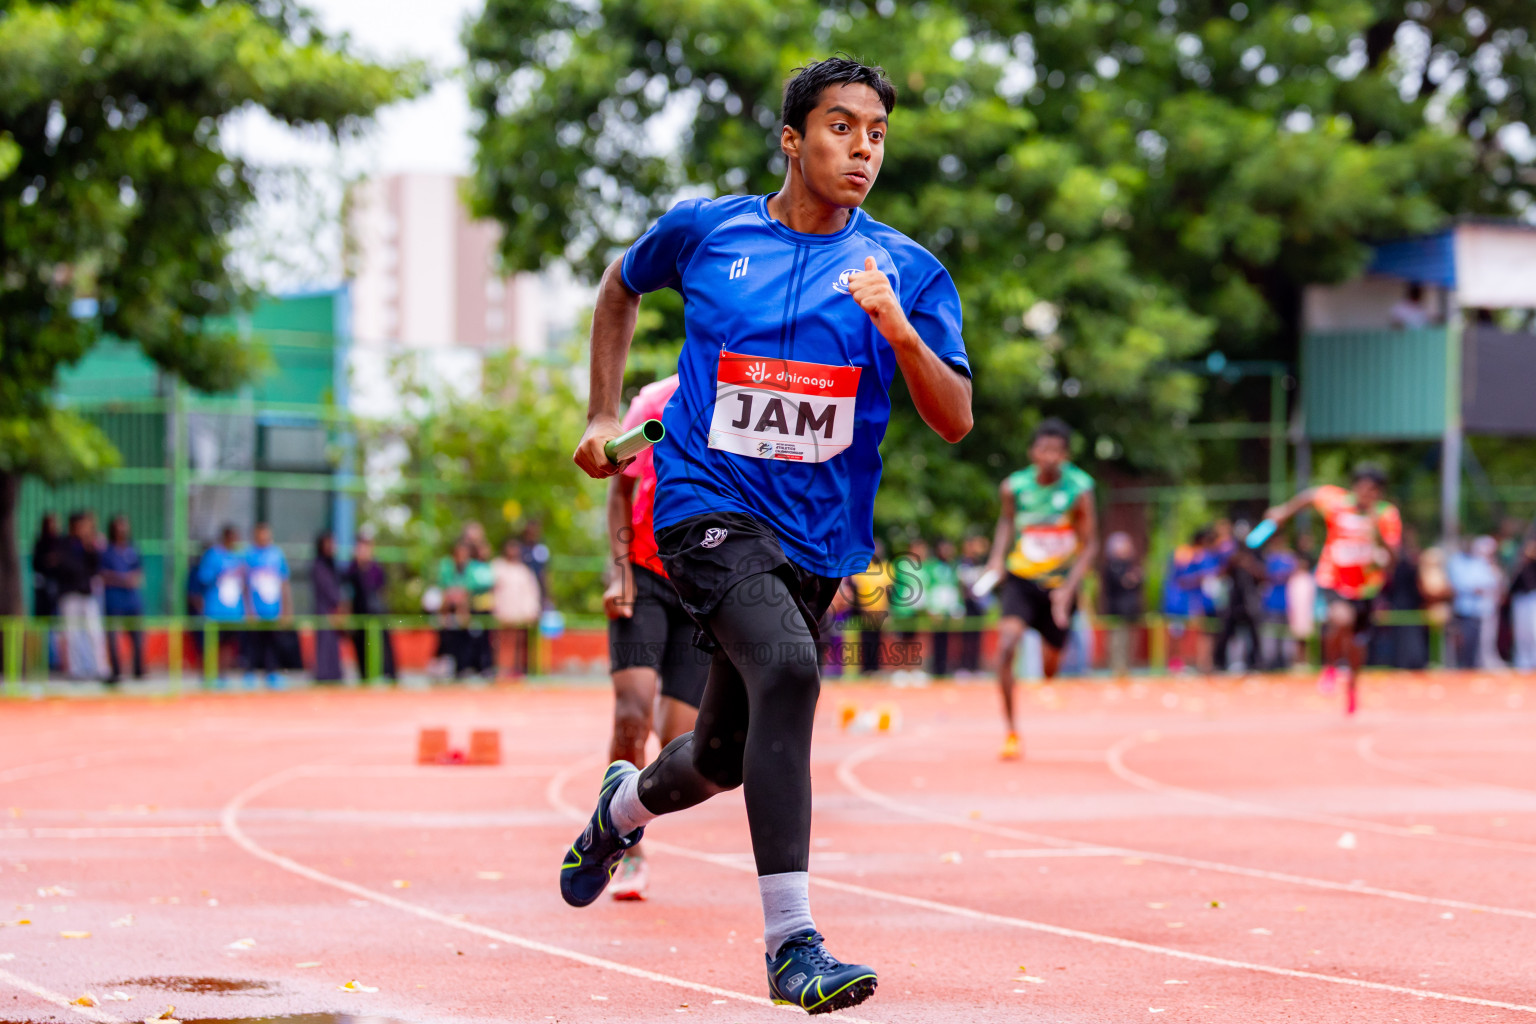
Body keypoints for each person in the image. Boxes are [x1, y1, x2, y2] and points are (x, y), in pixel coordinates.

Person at [563, 57, 971, 1015]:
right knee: (790, 668)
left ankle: (619, 809)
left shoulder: (906, 271)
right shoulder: (708, 231)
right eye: (840, 128)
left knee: (719, 754)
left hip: (817, 543)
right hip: (704, 506)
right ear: (792, 140)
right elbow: (620, 286)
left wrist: (899, 333)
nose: (861, 149)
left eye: (876, 133)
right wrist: (601, 410)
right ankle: (794, 947)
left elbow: (954, 418)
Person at [600, 372, 709, 900]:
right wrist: (619, 569)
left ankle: (624, 808)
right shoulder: (653, 402)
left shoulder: (745, 400)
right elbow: (619, 493)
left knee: (681, 743)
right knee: (632, 712)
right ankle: (624, 844)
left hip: (703, 581)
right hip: (643, 575)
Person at [982, 418, 1097, 760]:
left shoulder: (1080, 489)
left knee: (1050, 664)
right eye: (1043, 450)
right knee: (1005, 647)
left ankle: (1049, 672)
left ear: (1066, 455)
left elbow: (1091, 545)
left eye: (1057, 451)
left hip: (1061, 584)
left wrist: (1069, 589)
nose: (1049, 457)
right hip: (1021, 579)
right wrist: (995, 559)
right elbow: (1005, 521)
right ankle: (1011, 731)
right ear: (1033, 452)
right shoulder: (1014, 487)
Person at [1263, 464, 1402, 712]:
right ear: (1355, 487)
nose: (1366, 494)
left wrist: (1376, 531)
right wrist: (1284, 512)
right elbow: (1310, 495)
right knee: (1341, 619)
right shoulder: (1337, 501)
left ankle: (1352, 689)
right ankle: (1330, 666)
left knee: (1358, 644)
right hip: (1334, 579)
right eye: (1363, 488)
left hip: (1366, 587)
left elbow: (1393, 558)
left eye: (1373, 491)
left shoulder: (1385, 515)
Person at [56, 511, 107, 681]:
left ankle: (100, 670)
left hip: (87, 594)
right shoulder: (65, 544)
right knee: (72, 634)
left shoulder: (89, 545)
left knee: (94, 632)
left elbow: (96, 567)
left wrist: (91, 546)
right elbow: (65, 567)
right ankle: (75, 671)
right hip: (69, 594)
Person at [244, 522, 292, 689]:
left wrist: (286, 610)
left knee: (273, 643)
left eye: (266, 535)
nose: (264, 538)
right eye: (260, 535)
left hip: (273, 610)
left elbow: (284, 583)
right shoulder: (249, 556)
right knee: (253, 644)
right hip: (256, 611)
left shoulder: (277, 555)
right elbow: (244, 584)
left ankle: (272, 674)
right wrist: (248, 609)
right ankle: (250, 674)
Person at [1214, 521, 1266, 673]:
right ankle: (1220, 663)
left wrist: (1249, 565)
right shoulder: (1231, 551)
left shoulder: (1256, 552)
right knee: (1226, 632)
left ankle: (1255, 663)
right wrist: (1233, 562)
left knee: (1254, 634)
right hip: (1234, 599)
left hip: (1251, 599)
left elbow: (1264, 576)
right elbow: (1221, 573)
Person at [344, 535, 397, 682]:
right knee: (361, 646)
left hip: (377, 614)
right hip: (360, 613)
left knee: (382, 645)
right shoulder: (352, 569)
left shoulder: (376, 568)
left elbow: (382, 591)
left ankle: (386, 674)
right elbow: (348, 592)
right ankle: (365, 676)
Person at [100, 514, 146, 683]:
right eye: (119, 526)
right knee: (112, 637)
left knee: (138, 636)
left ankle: (139, 670)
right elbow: (103, 575)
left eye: (124, 525)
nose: (122, 529)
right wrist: (123, 579)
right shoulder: (107, 551)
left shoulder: (133, 549)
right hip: (114, 600)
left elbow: (139, 575)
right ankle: (116, 672)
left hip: (132, 600)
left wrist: (126, 579)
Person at [493, 537, 541, 679]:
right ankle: (502, 670)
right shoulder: (498, 567)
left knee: (519, 643)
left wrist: (531, 610)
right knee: (502, 642)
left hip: (520, 614)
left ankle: (516, 671)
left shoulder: (523, 571)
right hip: (503, 612)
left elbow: (531, 592)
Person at [1100, 532, 1143, 677]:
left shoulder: (1130, 565)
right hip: (1117, 610)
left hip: (1131, 610)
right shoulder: (1112, 566)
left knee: (1130, 641)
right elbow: (1123, 582)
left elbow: (1137, 581)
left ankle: (1127, 668)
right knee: (1117, 640)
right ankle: (1116, 668)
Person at [30, 513, 64, 672]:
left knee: (58, 628)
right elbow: (37, 564)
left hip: (57, 593)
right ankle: (45, 661)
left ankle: (57, 661)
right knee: (44, 629)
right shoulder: (40, 544)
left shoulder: (61, 543)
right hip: (44, 595)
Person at [1259, 536, 1298, 670]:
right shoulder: (1269, 559)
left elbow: (1291, 573)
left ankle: (1286, 661)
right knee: (1270, 633)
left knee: (1286, 634)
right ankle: (1270, 661)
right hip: (1271, 602)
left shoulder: (1288, 558)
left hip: (1287, 602)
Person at [955, 534, 992, 676]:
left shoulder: (981, 563)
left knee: (977, 638)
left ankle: (975, 668)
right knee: (966, 638)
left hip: (979, 605)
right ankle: (964, 667)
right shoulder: (961, 563)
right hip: (966, 605)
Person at [312, 532, 344, 683]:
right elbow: (328, 589)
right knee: (325, 643)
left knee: (333, 645)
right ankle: (324, 675)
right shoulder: (319, 565)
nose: (332, 547)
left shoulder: (333, 564)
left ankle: (334, 675)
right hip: (324, 610)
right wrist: (336, 604)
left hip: (333, 610)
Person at [1509, 532, 1536, 671]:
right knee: (1522, 632)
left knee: (1533, 630)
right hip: (1521, 599)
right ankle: (1523, 661)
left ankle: (1533, 659)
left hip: (1532, 598)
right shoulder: (1521, 566)